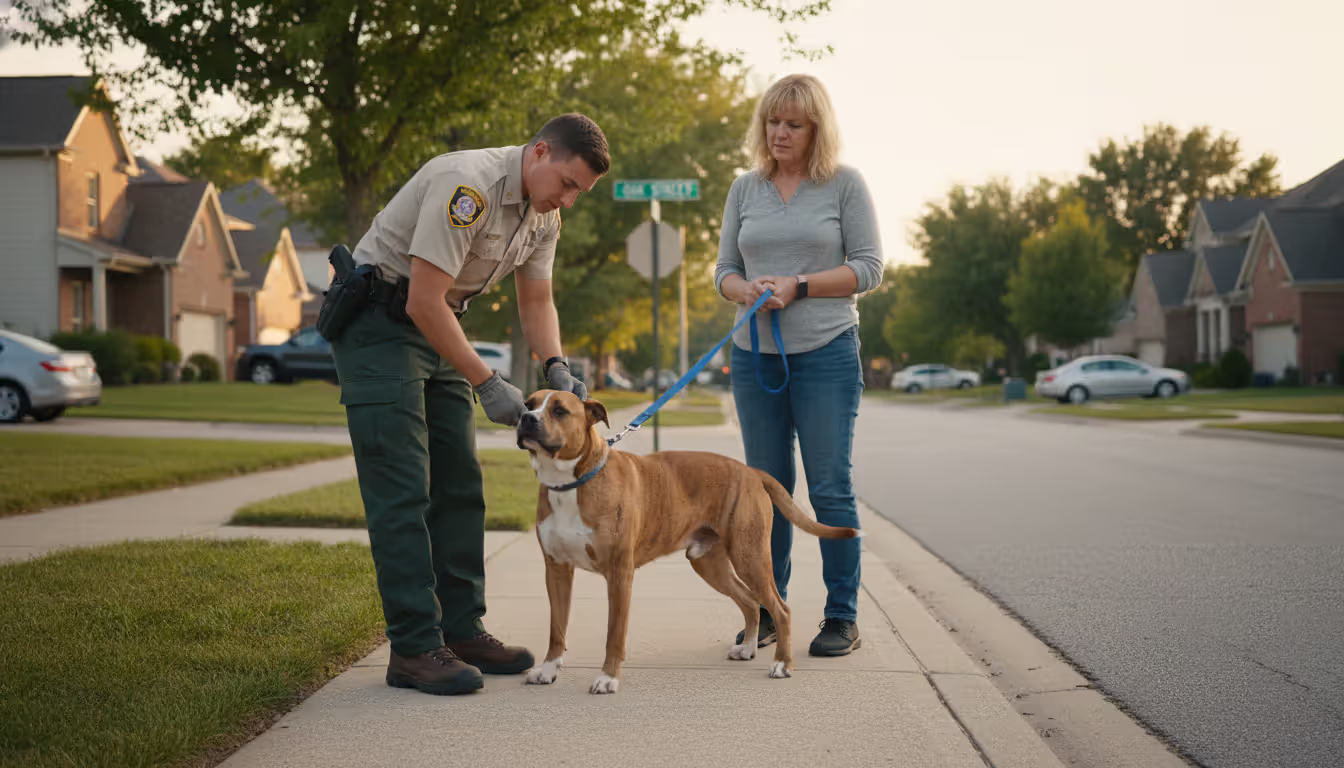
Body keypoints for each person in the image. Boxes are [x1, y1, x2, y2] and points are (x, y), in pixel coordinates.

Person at [331, 114, 609, 695]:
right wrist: (488, 382)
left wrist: (555, 364)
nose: (570, 200)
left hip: (438, 326)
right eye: (567, 183)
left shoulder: (544, 214)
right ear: (539, 153)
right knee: (404, 489)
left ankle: (460, 630)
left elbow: (536, 299)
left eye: (581, 192)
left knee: (459, 484)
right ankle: (412, 648)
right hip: (382, 324)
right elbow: (423, 299)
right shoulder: (469, 186)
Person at [714, 74, 882, 657]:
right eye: (773, 121)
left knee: (830, 487)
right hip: (754, 356)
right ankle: (767, 610)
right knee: (764, 490)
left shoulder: (843, 185)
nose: (780, 133)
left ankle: (842, 617)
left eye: (794, 123)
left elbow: (868, 268)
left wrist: (801, 285)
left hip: (828, 353)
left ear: (816, 129)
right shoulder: (744, 189)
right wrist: (747, 289)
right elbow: (723, 272)